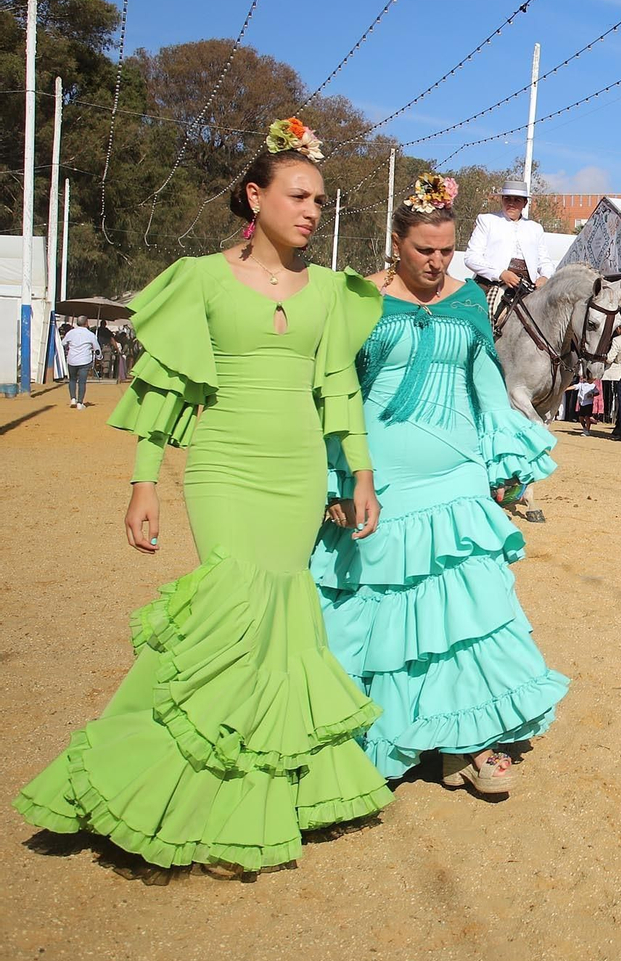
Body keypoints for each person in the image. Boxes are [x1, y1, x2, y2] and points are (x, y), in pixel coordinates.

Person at [14, 118, 393, 872]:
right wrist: (142, 482)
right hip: (222, 468)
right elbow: (168, 388)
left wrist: (360, 475)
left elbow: (340, 389)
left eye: (319, 198)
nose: (312, 210)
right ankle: (126, 776)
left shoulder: (329, 292)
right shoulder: (200, 278)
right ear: (255, 196)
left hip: (293, 475)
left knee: (276, 628)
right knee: (227, 614)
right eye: (297, 195)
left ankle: (250, 804)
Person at [313, 172, 567, 797]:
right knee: (385, 617)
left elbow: (486, 388)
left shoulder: (466, 301)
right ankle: (391, 732)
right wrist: (333, 477)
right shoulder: (360, 298)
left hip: (455, 478)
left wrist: (504, 466)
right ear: (395, 242)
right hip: (378, 481)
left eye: (446, 250)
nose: (436, 262)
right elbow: (334, 392)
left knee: (465, 615)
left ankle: (470, 741)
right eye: (424, 249)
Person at [461, 180, 555, 327]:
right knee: (484, 315)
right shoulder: (487, 220)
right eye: (507, 199)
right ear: (502, 200)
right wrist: (500, 273)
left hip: (528, 284)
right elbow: (471, 257)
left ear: (524, 203)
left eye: (517, 200)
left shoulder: (535, 228)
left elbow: (545, 261)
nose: (511, 203)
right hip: (493, 281)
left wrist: (545, 276)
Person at [61, 315, 100, 409]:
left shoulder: (70, 333)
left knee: (72, 380)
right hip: (84, 360)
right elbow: (97, 348)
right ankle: (80, 403)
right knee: (82, 382)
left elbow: (63, 343)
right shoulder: (90, 335)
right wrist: (99, 357)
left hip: (72, 360)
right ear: (86, 323)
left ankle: (73, 399)